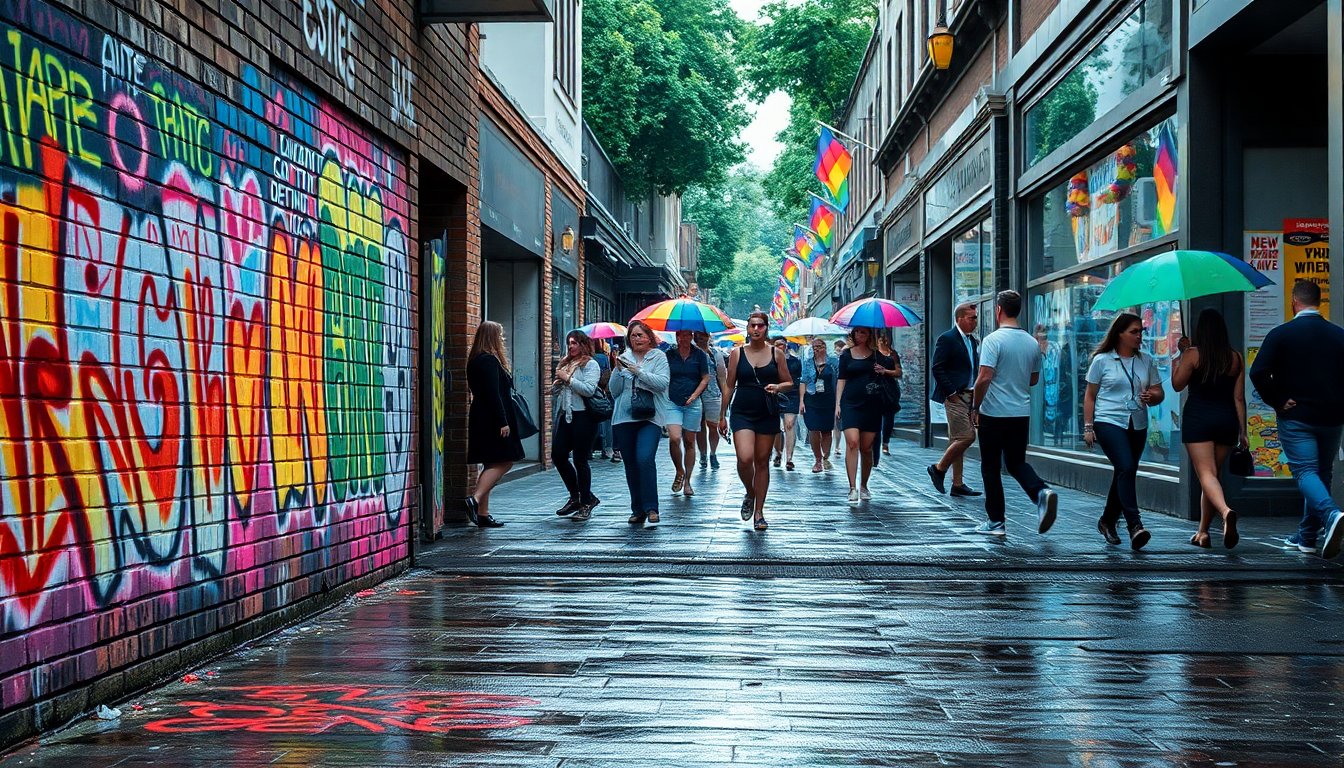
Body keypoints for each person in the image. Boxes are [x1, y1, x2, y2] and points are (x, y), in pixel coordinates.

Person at [1249, 279, 1344, 559]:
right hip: (1332, 418)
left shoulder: (1281, 334)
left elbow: (1258, 372)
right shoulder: (1339, 335)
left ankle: (1331, 515)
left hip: (1297, 416)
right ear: (1320, 301)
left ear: (1294, 301)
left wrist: (1277, 400)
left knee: (1304, 472)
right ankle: (1306, 537)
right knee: (1322, 472)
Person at [970, 290, 1058, 536]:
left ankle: (996, 521)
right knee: (1017, 462)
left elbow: (984, 377)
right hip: (1021, 413)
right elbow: (1033, 378)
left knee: (990, 467)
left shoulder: (993, 340)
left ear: (998, 310)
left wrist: (975, 406)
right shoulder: (1031, 342)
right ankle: (1040, 492)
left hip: (993, 413)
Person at [1081, 312, 1164, 550]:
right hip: (1108, 421)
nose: (1139, 336)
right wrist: (1088, 427)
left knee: (1124, 471)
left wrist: (1153, 396)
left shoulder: (1146, 360)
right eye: (1134, 332)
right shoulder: (1102, 361)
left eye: (1141, 331)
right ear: (1120, 334)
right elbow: (1090, 395)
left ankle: (1107, 521)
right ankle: (1134, 525)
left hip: (1137, 422)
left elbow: (1159, 392)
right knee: (1126, 467)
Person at [1172, 309, 1246, 549]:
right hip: (1226, 420)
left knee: (1206, 475)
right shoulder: (1235, 357)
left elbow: (1176, 384)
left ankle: (1225, 512)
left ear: (1200, 331)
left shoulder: (1193, 354)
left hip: (1199, 418)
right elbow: (1239, 398)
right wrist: (1243, 431)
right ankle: (1203, 532)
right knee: (1212, 475)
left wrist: (1180, 355)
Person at [720, 312, 794, 531]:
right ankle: (750, 492)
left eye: (760, 326)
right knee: (745, 458)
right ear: (748, 329)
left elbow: (789, 381)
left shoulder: (776, 353)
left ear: (766, 328)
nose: (756, 329)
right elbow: (729, 385)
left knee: (762, 461)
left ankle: (759, 512)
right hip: (742, 411)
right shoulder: (736, 353)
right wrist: (721, 415)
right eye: (752, 325)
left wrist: (778, 387)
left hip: (767, 411)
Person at [609, 321, 671, 526]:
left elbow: (662, 383)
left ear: (649, 337)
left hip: (650, 417)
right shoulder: (623, 358)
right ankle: (638, 509)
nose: (637, 339)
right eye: (633, 336)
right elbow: (614, 391)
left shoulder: (658, 357)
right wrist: (618, 371)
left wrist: (638, 372)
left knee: (644, 458)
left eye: (641, 335)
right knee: (631, 464)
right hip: (623, 418)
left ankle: (652, 507)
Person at [834, 327, 899, 503]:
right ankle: (852, 488)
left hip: (872, 404)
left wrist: (884, 370)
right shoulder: (846, 355)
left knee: (866, 448)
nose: (859, 335)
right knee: (852, 442)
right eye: (857, 332)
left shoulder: (878, 356)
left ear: (869, 335)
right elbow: (841, 379)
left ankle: (864, 484)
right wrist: (838, 404)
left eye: (863, 332)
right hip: (850, 403)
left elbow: (897, 372)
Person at [465, 320, 519, 528]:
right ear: (492, 337)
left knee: (490, 463)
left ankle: (482, 514)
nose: (502, 338)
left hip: (482, 417)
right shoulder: (488, 361)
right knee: (506, 461)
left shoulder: (476, 359)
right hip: (492, 419)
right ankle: (475, 499)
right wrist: (502, 421)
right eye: (500, 334)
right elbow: (494, 394)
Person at [927, 303, 982, 498]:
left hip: (970, 395)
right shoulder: (947, 338)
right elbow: (937, 368)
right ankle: (938, 469)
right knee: (967, 437)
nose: (975, 321)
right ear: (959, 319)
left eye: (976, 317)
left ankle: (957, 484)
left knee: (956, 439)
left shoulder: (973, 341)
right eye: (971, 318)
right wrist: (951, 393)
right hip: (955, 396)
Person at [550, 330, 603, 521]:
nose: (571, 346)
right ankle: (576, 496)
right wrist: (557, 385)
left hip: (585, 418)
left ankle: (586, 502)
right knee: (558, 455)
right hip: (567, 416)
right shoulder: (566, 363)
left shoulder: (591, 364)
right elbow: (561, 392)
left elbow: (589, 390)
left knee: (580, 460)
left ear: (583, 344)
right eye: (569, 343)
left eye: (575, 343)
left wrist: (568, 379)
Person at [666, 330, 711, 497]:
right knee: (674, 437)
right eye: (680, 335)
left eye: (687, 335)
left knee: (689, 442)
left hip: (693, 402)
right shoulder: (669, 354)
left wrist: (695, 395)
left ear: (691, 337)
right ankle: (679, 470)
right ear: (676, 337)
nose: (683, 339)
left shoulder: (699, 355)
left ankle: (687, 481)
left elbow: (706, 377)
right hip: (672, 401)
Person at [800, 336, 838, 472]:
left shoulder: (833, 361)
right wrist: (801, 402)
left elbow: (840, 380)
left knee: (827, 430)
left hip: (829, 399)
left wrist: (839, 402)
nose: (817, 349)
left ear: (825, 347)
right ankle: (817, 459)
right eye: (814, 347)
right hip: (811, 399)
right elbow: (803, 381)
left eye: (820, 346)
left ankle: (826, 456)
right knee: (813, 428)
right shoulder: (808, 362)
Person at [694, 332, 728, 469]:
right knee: (699, 426)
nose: (701, 337)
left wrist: (725, 398)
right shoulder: (691, 352)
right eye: (698, 335)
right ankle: (703, 454)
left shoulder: (716, 354)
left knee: (713, 425)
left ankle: (713, 453)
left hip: (713, 393)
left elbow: (722, 378)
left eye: (704, 335)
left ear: (709, 337)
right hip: (695, 393)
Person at [772, 338, 803, 470]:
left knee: (789, 425)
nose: (780, 347)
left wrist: (802, 398)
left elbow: (801, 379)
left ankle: (789, 458)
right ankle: (778, 453)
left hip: (792, 394)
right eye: (777, 345)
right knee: (775, 427)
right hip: (775, 394)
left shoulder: (795, 361)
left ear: (786, 346)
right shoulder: (770, 360)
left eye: (782, 345)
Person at [875, 332, 899, 458]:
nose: (884, 341)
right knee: (876, 417)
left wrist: (885, 371)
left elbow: (899, 372)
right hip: (876, 388)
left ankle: (885, 443)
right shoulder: (873, 354)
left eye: (886, 339)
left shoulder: (893, 354)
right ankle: (876, 442)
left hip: (890, 389)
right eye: (881, 339)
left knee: (889, 417)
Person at [591, 340, 614, 461]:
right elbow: (608, 372)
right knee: (605, 422)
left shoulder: (587, 358)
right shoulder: (603, 357)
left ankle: (589, 449)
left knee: (592, 422)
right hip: (601, 391)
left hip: (589, 395)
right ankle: (607, 448)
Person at [832, 339, 847, 457]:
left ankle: (838, 445)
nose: (838, 352)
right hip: (832, 394)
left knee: (840, 422)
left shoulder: (846, 363)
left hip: (845, 395)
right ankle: (836, 446)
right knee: (836, 423)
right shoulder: (832, 362)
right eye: (837, 350)